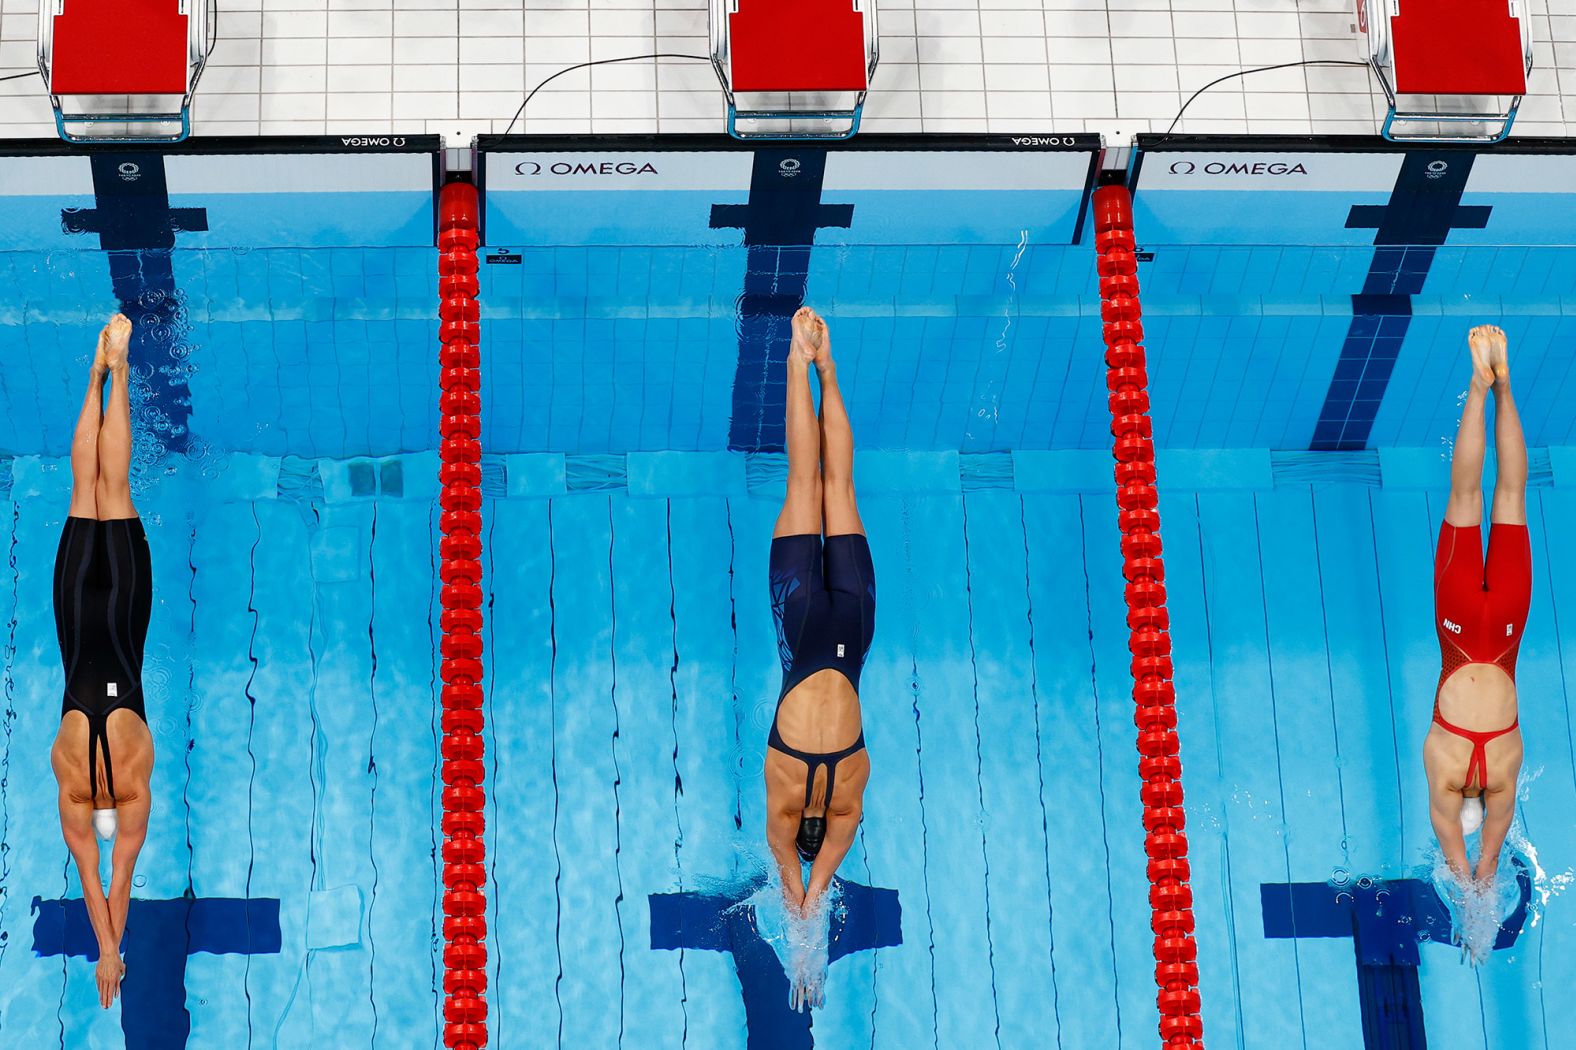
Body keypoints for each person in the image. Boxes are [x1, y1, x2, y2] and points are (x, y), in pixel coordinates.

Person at [764, 306, 874, 977]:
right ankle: (801, 366)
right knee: (810, 483)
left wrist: (808, 955)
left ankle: (823, 367)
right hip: (805, 628)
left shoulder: (849, 795)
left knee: (833, 484)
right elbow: (799, 882)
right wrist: (802, 959)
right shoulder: (783, 791)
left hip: (853, 629)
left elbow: (818, 879)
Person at [50, 313, 155, 1010]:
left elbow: (116, 883)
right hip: (74, 618)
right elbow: (93, 882)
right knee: (82, 493)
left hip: (120, 622)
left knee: (113, 494)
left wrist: (115, 951)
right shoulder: (71, 787)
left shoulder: (137, 781)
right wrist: (105, 949)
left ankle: (116, 370)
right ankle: (97, 374)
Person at [1425, 324, 1528, 894]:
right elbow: (1460, 862)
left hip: (1507, 630)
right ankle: (1479, 383)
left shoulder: (1505, 777)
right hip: (1460, 628)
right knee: (1464, 498)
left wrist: (1478, 897)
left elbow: (1486, 859)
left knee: (1511, 496)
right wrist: (1466, 887)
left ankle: (1504, 385)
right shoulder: (1442, 774)